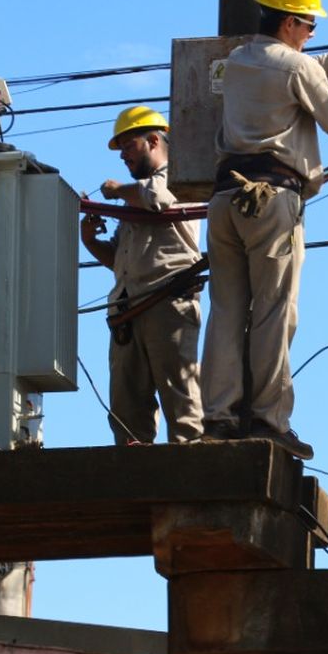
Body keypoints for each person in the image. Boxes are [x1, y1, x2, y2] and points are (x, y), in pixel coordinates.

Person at [200, 0, 328, 460]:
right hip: (272, 200)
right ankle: (268, 419)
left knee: (226, 312)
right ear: (290, 22)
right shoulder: (297, 69)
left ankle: (219, 417)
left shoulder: (239, 61)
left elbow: (307, 66)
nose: (313, 35)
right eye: (309, 26)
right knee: (274, 311)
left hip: (225, 200)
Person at [81, 106, 205, 445]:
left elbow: (158, 199)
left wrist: (117, 190)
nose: (122, 156)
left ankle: (191, 482)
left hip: (168, 302)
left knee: (182, 407)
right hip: (128, 309)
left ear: (153, 140)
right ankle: (136, 485)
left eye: (128, 146)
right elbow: (119, 259)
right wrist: (90, 239)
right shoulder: (132, 197)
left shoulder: (179, 176)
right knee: (127, 414)